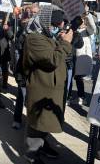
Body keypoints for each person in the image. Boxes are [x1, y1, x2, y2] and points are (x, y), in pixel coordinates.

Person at [22, 10, 73, 164]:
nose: (57, 28)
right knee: (38, 122)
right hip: (41, 88)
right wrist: (65, 43)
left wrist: (64, 40)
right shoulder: (34, 38)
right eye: (54, 25)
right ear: (44, 22)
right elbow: (52, 59)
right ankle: (32, 154)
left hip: (51, 88)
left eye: (59, 25)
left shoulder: (48, 36)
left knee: (46, 121)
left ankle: (42, 146)